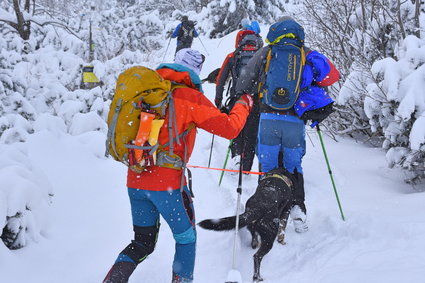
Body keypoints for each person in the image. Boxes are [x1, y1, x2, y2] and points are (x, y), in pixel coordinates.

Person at [102, 48, 253, 283]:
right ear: (195, 72)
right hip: (167, 186)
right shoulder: (189, 97)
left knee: (142, 242)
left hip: (136, 179)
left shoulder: (150, 93)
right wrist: (244, 103)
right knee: (186, 238)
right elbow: (231, 128)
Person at [235, 17, 340, 237]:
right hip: (295, 120)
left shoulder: (267, 52)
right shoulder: (306, 53)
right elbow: (332, 76)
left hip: (268, 118)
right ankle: (297, 208)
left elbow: (244, 81)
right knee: (293, 167)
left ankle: (266, 214)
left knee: (267, 167)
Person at [215, 28, 263, 172]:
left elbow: (220, 79)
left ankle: (236, 158)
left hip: (237, 99)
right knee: (252, 133)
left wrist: (218, 99)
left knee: (236, 129)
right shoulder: (262, 56)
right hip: (256, 101)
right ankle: (247, 166)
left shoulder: (233, 56)